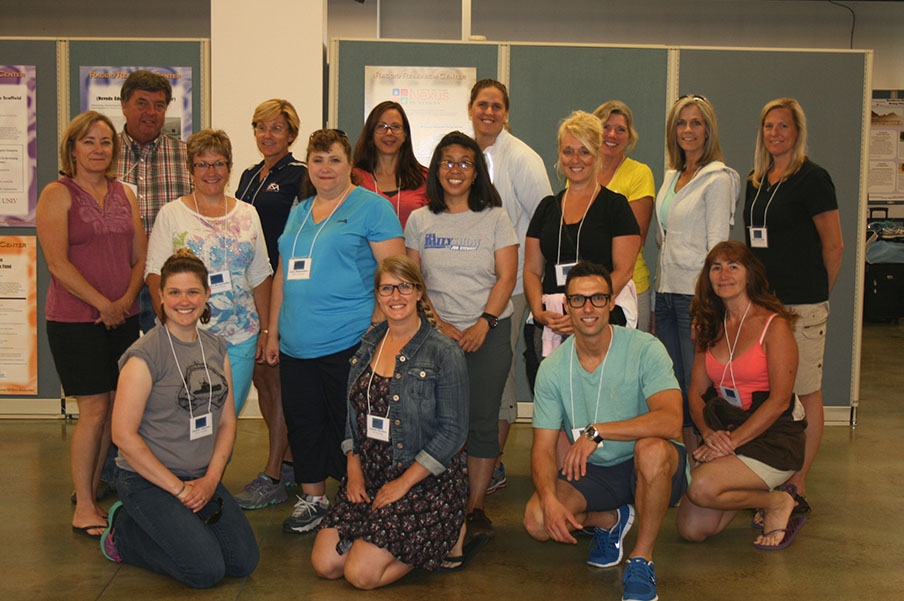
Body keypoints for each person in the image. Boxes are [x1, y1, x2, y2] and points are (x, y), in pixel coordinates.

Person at [264, 128, 404, 534]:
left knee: (350, 426)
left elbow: (394, 273)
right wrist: (273, 332)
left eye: (334, 159)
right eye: (318, 159)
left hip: (350, 341)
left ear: (349, 165)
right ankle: (313, 499)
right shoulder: (299, 210)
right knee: (303, 422)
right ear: (308, 164)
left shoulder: (371, 208)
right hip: (294, 343)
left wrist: (378, 328)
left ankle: (355, 497)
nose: (325, 168)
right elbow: (280, 276)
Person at [523, 262, 687, 601]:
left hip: (651, 464)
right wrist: (550, 498)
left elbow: (671, 421)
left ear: (612, 302)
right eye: (578, 299)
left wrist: (598, 432)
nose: (588, 308)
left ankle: (642, 558)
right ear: (565, 304)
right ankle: (610, 519)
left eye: (598, 298)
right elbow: (541, 447)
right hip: (595, 471)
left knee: (651, 449)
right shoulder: (552, 369)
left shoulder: (644, 348)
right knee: (538, 521)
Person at [311, 256, 474, 589]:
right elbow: (353, 416)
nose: (395, 296)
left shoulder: (444, 352)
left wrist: (404, 484)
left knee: (360, 574)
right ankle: (384, 541)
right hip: (370, 474)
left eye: (404, 287)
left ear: (418, 293)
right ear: (377, 294)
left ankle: (446, 533)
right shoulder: (366, 345)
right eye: (387, 288)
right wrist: (353, 469)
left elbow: (454, 432)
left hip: (424, 479)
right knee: (326, 564)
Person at [100, 249, 259, 588]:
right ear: (160, 296)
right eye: (174, 292)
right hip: (149, 481)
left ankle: (179, 529)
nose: (183, 301)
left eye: (192, 292)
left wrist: (210, 480)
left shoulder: (216, 347)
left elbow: (227, 422)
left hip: (201, 478)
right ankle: (124, 532)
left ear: (206, 296)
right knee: (204, 571)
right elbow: (123, 435)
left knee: (243, 561)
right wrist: (179, 491)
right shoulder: (144, 356)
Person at [36, 111, 146, 539]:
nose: (98, 149)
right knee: (94, 410)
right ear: (72, 149)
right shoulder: (57, 194)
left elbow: (140, 255)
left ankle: (98, 484)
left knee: (116, 405)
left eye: (105, 142)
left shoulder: (125, 194)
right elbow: (57, 263)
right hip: (75, 321)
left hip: (122, 317)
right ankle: (83, 503)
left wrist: (123, 302)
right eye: (89, 142)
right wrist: (104, 303)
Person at [405, 130, 518, 539]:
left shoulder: (495, 217)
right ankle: (439, 499)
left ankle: (475, 507)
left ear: (476, 172)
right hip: (435, 335)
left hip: (488, 331)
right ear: (436, 169)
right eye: (448, 162)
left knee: (482, 420)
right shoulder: (420, 219)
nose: (456, 170)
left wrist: (483, 323)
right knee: (435, 419)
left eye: (465, 163)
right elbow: (414, 281)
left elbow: (507, 277)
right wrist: (440, 326)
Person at [743, 98, 843, 508]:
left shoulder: (813, 179)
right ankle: (773, 471)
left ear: (797, 132)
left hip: (803, 305)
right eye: (769, 126)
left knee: (805, 392)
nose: (775, 134)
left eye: (783, 126)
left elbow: (833, 246)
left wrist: (817, 295)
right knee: (773, 394)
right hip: (764, 307)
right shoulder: (757, 180)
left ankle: (798, 483)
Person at [675, 241, 808, 550]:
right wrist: (709, 434)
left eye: (733, 266)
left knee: (701, 486)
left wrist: (730, 444)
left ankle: (777, 501)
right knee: (691, 529)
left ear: (750, 274)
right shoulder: (708, 324)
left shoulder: (774, 327)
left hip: (773, 436)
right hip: (727, 430)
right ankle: (757, 495)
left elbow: (778, 403)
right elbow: (695, 393)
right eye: (716, 267)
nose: (724, 274)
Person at [145, 129, 272, 417]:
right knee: (187, 417)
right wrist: (171, 327)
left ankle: (215, 465)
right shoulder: (172, 214)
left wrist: (265, 331)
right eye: (202, 164)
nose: (211, 172)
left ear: (229, 167)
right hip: (188, 336)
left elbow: (262, 275)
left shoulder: (248, 214)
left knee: (226, 418)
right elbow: (154, 275)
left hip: (240, 338)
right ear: (191, 170)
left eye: (219, 163)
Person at [468, 79, 553, 493]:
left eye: (497, 105)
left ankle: (494, 463)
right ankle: (474, 455)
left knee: (498, 375)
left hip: (512, 285)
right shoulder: (463, 154)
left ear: (506, 112)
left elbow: (545, 219)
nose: (489, 112)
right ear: (470, 108)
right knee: (474, 375)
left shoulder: (522, 158)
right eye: (482, 104)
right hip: (467, 288)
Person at [524, 110, 641, 387]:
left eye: (584, 152)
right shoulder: (546, 208)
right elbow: (531, 270)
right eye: (568, 152)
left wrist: (584, 309)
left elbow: (624, 269)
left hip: (599, 317)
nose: (575, 160)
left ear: (598, 155)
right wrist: (539, 312)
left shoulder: (616, 207)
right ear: (559, 156)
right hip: (552, 320)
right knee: (554, 402)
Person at [654, 94, 739, 454]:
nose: (688, 130)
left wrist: (707, 306)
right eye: (681, 123)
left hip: (694, 297)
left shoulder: (717, 178)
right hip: (666, 295)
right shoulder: (673, 175)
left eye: (696, 123)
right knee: (676, 386)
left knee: (699, 387)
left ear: (708, 130)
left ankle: (712, 458)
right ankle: (690, 463)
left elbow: (717, 250)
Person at [233, 99, 307, 510]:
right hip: (249, 290)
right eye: (261, 127)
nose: (267, 135)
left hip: (281, 290)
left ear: (291, 134)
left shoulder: (299, 176)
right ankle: (290, 461)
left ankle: (274, 474)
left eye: (277, 128)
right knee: (264, 381)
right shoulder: (247, 176)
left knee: (274, 381)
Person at [116, 70, 192, 334]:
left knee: (169, 367)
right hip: (117, 285)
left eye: (158, 105)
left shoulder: (187, 157)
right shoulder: (104, 157)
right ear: (124, 105)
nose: (150, 112)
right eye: (141, 103)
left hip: (169, 286)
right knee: (119, 370)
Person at [593, 100, 656, 332]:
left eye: (621, 129)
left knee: (630, 364)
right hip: (589, 287)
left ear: (629, 136)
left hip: (629, 286)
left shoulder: (639, 174)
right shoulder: (582, 172)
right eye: (606, 127)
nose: (612, 134)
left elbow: (636, 238)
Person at [352, 100, 428, 228]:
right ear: (371, 134)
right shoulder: (353, 178)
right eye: (381, 126)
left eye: (395, 127)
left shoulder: (425, 178)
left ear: (405, 135)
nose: (389, 133)